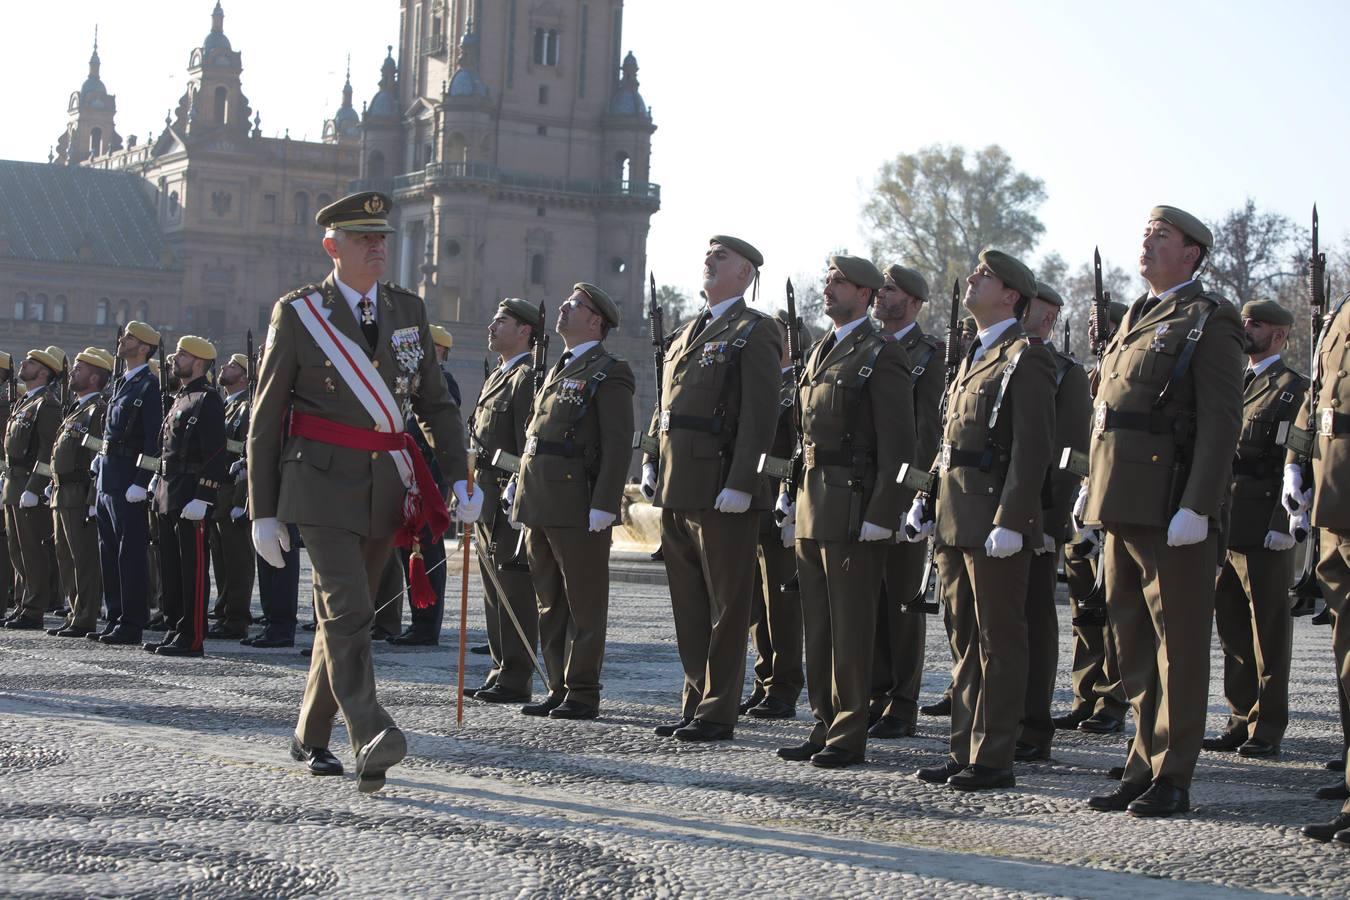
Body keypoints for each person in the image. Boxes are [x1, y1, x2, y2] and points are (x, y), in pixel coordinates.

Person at [249, 190, 478, 792]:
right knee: (347, 607)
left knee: (344, 618)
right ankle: (371, 732)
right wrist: (262, 510)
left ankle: (309, 733)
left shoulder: (407, 310)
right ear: (333, 246)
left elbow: (434, 404)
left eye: (382, 238)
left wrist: (458, 475)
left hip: (386, 487)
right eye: (363, 238)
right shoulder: (299, 314)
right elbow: (266, 417)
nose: (378, 247)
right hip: (318, 485)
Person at [1080, 206, 1243, 817]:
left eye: (1161, 237)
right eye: (1146, 235)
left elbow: (1224, 418)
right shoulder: (1135, 319)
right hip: (1121, 502)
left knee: (1179, 643)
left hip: (1171, 504)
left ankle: (1174, 773)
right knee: (1133, 641)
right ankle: (1142, 763)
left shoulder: (1209, 319)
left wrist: (1199, 504)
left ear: (1192, 254)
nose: (1146, 244)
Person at [906, 250, 1055, 791]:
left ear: (1011, 296)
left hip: (993, 519)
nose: (972, 278)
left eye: (985, 275)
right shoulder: (972, 355)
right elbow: (950, 445)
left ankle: (995, 756)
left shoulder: (1025, 356)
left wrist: (1012, 518)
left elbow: (1031, 447)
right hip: (954, 516)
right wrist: (926, 498)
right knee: (964, 640)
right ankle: (964, 746)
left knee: (999, 640)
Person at [776, 255, 913, 769]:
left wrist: (885, 511)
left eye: (840, 282)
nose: (828, 287)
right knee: (818, 622)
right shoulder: (819, 352)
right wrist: (791, 494)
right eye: (828, 279)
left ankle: (849, 730)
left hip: (855, 505)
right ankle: (823, 719)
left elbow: (900, 445)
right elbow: (804, 436)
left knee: (852, 626)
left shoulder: (881, 354)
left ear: (867, 294)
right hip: (814, 502)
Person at [642, 236, 780, 741]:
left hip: (722, 482)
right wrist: (652, 459)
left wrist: (744, 480)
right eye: (708, 254)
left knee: (727, 606)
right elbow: (666, 407)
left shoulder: (755, 331)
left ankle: (719, 709)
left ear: (745, 274)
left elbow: (761, 415)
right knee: (689, 603)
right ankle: (694, 698)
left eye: (721, 257)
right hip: (680, 481)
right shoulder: (683, 333)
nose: (709, 260)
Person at [511, 282, 634, 720]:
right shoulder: (556, 367)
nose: (563, 308)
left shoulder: (609, 371)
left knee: (583, 600)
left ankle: (583, 689)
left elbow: (618, 444)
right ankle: (558, 685)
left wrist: (605, 502)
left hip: (578, 502)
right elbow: (535, 435)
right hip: (540, 500)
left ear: (596, 321)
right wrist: (518, 486)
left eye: (574, 305)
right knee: (549, 601)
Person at [1201, 300, 1306, 759]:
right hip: (1227, 524)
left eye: (1256, 323)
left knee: (1269, 632)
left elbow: (1294, 463)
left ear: (1279, 335)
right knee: (1232, 631)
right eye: (1244, 320)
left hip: (1265, 525)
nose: (1247, 328)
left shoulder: (1290, 389)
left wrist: (1284, 523)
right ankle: (1239, 717)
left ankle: (1268, 727)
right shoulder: (1232, 381)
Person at [1015, 281, 1090, 762]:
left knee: (1033, 622)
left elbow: (1070, 455)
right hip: (990, 513)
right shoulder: (994, 361)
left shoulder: (1067, 374)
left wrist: (1052, 516)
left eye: (1031, 304)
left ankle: (1033, 725)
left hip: (1036, 517)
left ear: (1048, 316)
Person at [868, 264, 943, 739]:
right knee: (870, 604)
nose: (881, 294)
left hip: (901, 495)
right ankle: (875, 694)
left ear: (913, 302)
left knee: (902, 604)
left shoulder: (929, 355)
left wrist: (915, 495)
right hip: (864, 489)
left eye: (891, 289)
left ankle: (902, 701)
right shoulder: (869, 347)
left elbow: (927, 433)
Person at [1290, 287, 1350, 845]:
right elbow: (1317, 398)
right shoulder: (1339, 316)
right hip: (1335, 504)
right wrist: (1295, 462)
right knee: (1345, 650)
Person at [1054, 301, 1130, 735]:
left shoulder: (1120, 378)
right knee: (1084, 609)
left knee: (1113, 608)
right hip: (1079, 505)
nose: (1094, 333)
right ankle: (1085, 693)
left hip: (1109, 504)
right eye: (1090, 326)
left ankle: (1113, 699)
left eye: (1103, 326)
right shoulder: (1086, 378)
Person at [463, 300, 540, 698]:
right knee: (492, 587)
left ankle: (517, 674)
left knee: (513, 586)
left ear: (525, 331)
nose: (491, 326)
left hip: (507, 499)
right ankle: (500, 666)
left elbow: (528, 443)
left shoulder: (526, 377)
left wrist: (513, 483)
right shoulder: (499, 375)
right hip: (485, 496)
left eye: (502, 321)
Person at [740, 311, 806, 721]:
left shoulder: (797, 388)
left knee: (781, 607)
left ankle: (784, 687)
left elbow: (801, 449)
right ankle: (762, 680)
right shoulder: (760, 385)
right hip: (753, 502)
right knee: (755, 606)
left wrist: (793, 502)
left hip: (781, 507)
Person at [144, 336, 227, 658]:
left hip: (191, 490)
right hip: (169, 488)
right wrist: (156, 480)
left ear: (200, 362)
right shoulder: (180, 397)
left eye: (182, 355)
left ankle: (192, 636)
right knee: (171, 567)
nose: (174, 360)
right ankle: (175, 626)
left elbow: (216, 451)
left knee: (192, 568)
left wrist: (205, 494)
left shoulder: (207, 399)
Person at [387, 323, 462, 645]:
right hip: (408, 478)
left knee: (426, 554)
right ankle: (417, 620)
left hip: (427, 481)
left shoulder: (442, 381)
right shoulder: (410, 381)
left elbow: (441, 435)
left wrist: (432, 482)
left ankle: (426, 625)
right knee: (410, 553)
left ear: (438, 350)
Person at [92, 321, 163, 645]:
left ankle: (132, 622)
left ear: (145, 348)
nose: (122, 341)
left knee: (130, 554)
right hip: (109, 477)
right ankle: (115, 613)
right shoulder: (123, 382)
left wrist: (142, 480)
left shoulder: (149, 387)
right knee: (109, 551)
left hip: (128, 482)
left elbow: (153, 440)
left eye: (130, 338)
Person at [46, 348, 112, 638]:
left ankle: (85, 616)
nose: (72, 373)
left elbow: (99, 457)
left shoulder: (98, 409)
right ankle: (75, 612)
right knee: (66, 556)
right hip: (62, 492)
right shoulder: (77, 408)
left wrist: (92, 499)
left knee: (84, 559)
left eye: (79, 369)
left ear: (95, 377)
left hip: (80, 492)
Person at [3, 347, 66, 629]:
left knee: (32, 550)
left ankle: (34, 609)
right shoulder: (24, 402)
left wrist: (35, 486)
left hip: (28, 482)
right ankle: (22, 603)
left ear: (43, 372)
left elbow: (46, 451)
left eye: (30, 363)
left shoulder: (47, 404)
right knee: (17, 549)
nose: (24, 365)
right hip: (13, 481)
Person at [208, 353, 255, 640]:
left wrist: (241, 500)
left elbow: (248, 457)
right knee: (221, 556)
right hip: (218, 489)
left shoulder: (246, 408)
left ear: (245, 377)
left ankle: (237, 616)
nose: (225, 367)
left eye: (234, 366)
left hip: (233, 489)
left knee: (237, 558)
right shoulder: (225, 406)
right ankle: (224, 609)